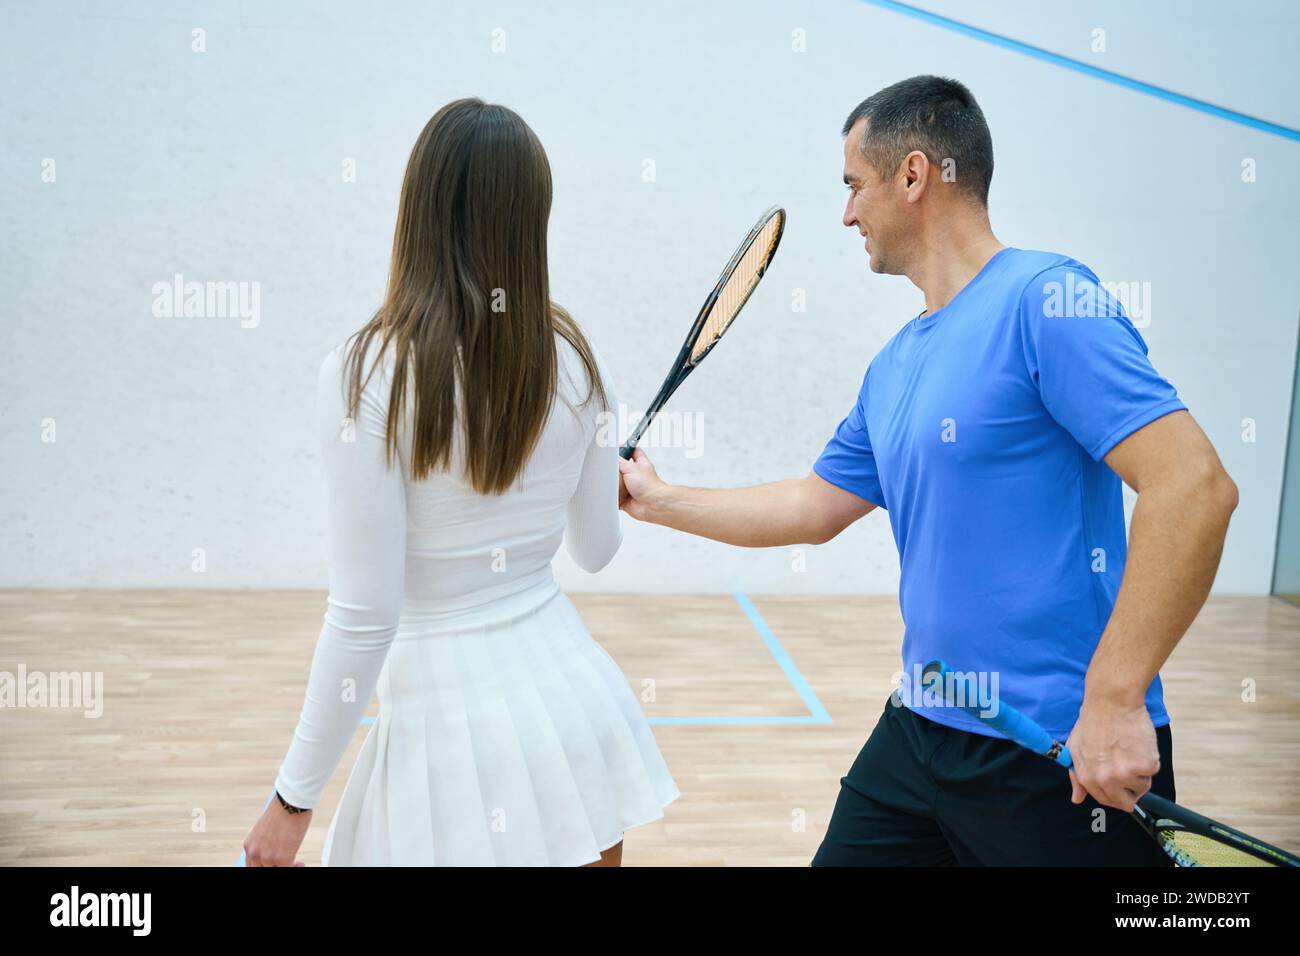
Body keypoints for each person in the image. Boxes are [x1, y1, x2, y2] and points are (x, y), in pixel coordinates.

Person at [618, 75, 1238, 865]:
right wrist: (660, 501)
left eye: (854, 186)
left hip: (1056, 752)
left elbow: (1195, 487)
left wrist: (1116, 698)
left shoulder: (1046, 303)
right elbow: (814, 506)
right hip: (921, 731)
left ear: (913, 176)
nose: (846, 214)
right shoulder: (894, 365)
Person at [243, 98, 679, 867]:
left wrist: (291, 802)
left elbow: (365, 616)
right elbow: (596, 549)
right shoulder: (575, 356)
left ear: (419, 207)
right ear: (529, 219)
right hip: (576, 719)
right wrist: (616, 482)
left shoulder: (365, 374)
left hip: (449, 752)